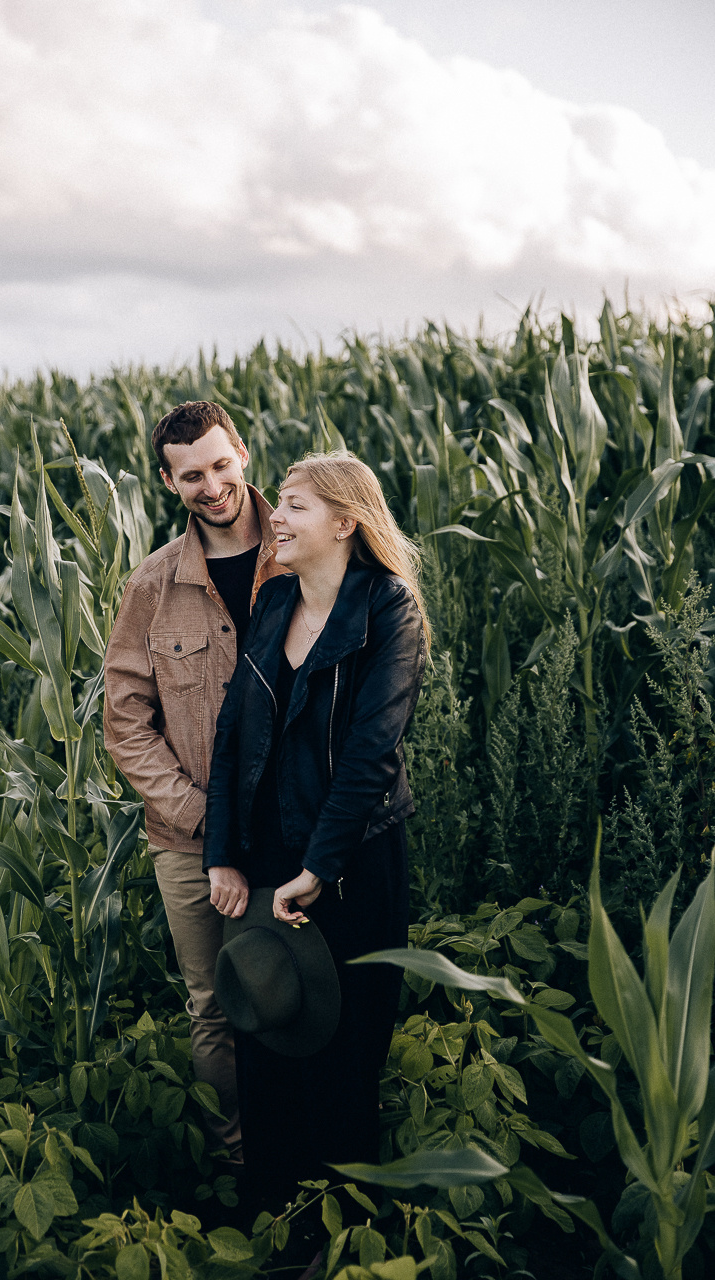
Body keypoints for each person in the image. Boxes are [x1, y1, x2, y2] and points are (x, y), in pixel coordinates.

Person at [202, 451, 429, 1207]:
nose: (276, 519)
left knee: (342, 1055)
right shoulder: (273, 604)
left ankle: (341, 1229)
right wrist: (224, 855)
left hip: (353, 860)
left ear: (344, 521)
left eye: (294, 505)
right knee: (267, 1039)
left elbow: (371, 752)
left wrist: (319, 866)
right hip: (267, 858)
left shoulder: (387, 607)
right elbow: (232, 735)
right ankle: (273, 1220)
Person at [103, 401, 285, 1157]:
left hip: (294, 823)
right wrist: (205, 819)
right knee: (215, 1004)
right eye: (190, 476)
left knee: (297, 991)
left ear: (241, 452)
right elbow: (124, 723)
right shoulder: (153, 585)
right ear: (167, 481)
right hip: (185, 838)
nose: (210, 487)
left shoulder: (302, 549)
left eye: (219, 465)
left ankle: (299, 1150)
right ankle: (233, 1160)